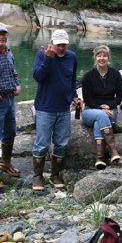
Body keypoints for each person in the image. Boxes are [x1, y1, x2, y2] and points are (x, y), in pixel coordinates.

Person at [32, 29, 78, 191]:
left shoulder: (72, 57)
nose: (61, 48)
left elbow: (72, 80)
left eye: (64, 45)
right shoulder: (43, 55)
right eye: (58, 45)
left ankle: (54, 175)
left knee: (62, 143)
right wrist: (48, 59)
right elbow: (37, 77)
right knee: (42, 144)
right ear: (52, 44)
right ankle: (37, 176)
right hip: (45, 107)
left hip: (64, 108)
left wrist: (74, 96)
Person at [81, 45, 122, 170]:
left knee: (98, 123)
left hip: (111, 110)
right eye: (99, 55)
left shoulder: (115, 74)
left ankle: (100, 158)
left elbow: (121, 93)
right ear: (95, 58)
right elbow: (87, 98)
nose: (102, 58)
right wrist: (101, 109)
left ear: (108, 58)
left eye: (104, 56)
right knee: (101, 115)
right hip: (90, 110)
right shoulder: (88, 76)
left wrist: (110, 106)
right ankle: (112, 150)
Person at [0, 23, 22, 189]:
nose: (2, 36)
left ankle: (5, 163)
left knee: (10, 131)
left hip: (10, 99)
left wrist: (18, 83)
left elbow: (13, 70)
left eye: (4, 34)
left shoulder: (7, 51)